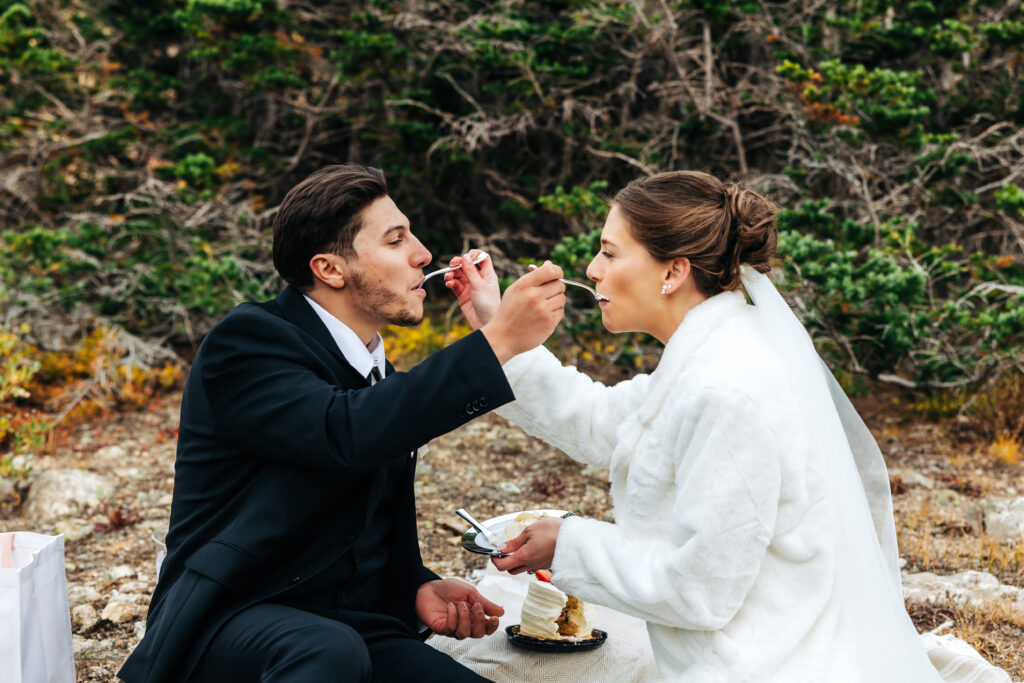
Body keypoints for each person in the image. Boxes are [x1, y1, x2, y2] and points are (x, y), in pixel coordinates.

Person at [445, 171, 1011, 682]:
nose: (591, 269)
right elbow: (598, 420)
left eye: (609, 252)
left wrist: (567, 546)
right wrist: (502, 336)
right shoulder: (709, 355)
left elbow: (700, 590)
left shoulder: (728, 390)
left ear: (673, 271)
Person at [118, 162, 567, 683]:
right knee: (327, 652)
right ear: (331, 270)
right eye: (396, 241)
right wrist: (499, 339)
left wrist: (415, 587)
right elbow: (344, 434)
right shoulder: (245, 343)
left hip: (355, 627)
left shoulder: (379, 373)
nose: (423, 253)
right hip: (228, 619)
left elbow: (362, 517)